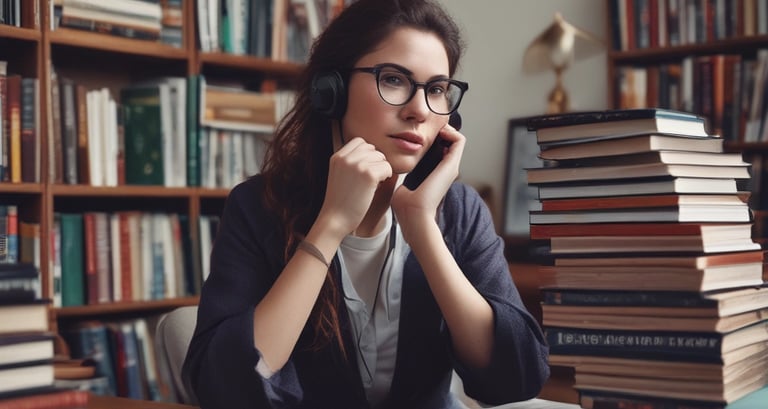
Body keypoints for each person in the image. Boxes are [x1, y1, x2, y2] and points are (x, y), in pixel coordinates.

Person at [182, 0, 550, 408]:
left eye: (437, 90)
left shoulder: (459, 211)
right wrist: (331, 224)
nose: (418, 110)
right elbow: (220, 387)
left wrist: (423, 229)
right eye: (393, 80)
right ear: (331, 91)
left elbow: (518, 375)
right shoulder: (259, 206)